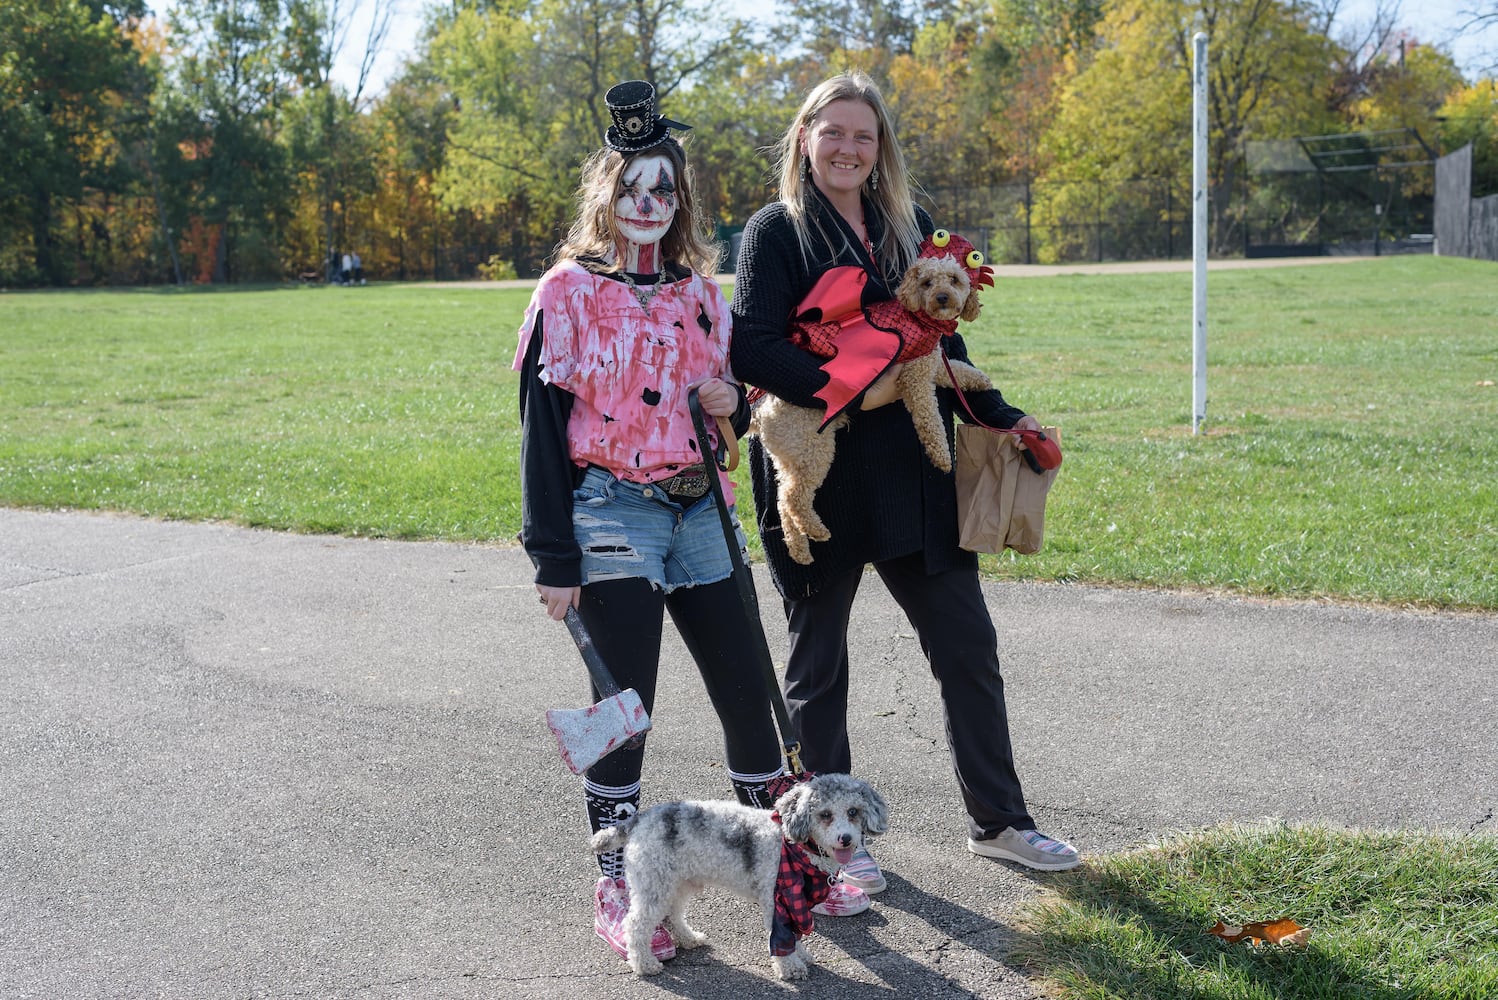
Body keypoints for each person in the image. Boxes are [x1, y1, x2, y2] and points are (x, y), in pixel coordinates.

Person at [513, 80, 871, 966]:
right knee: (624, 707)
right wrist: (552, 554)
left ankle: (791, 864)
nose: (649, 203)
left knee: (748, 690)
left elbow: (731, 401)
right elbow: (539, 429)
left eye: (664, 188)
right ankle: (620, 885)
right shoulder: (566, 291)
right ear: (608, 192)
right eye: (634, 186)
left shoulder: (697, 292)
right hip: (608, 510)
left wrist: (731, 402)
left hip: (698, 508)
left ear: (680, 201)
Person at [729, 73, 1082, 886]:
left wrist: (1008, 418)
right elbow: (749, 348)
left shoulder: (911, 228)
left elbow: (939, 353)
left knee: (967, 644)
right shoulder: (776, 231)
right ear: (806, 138)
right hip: (818, 469)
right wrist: (843, 388)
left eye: (865, 135)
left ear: (880, 146)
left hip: (915, 474)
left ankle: (1000, 821)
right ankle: (828, 848)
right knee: (819, 667)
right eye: (834, 132)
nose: (850, 148)